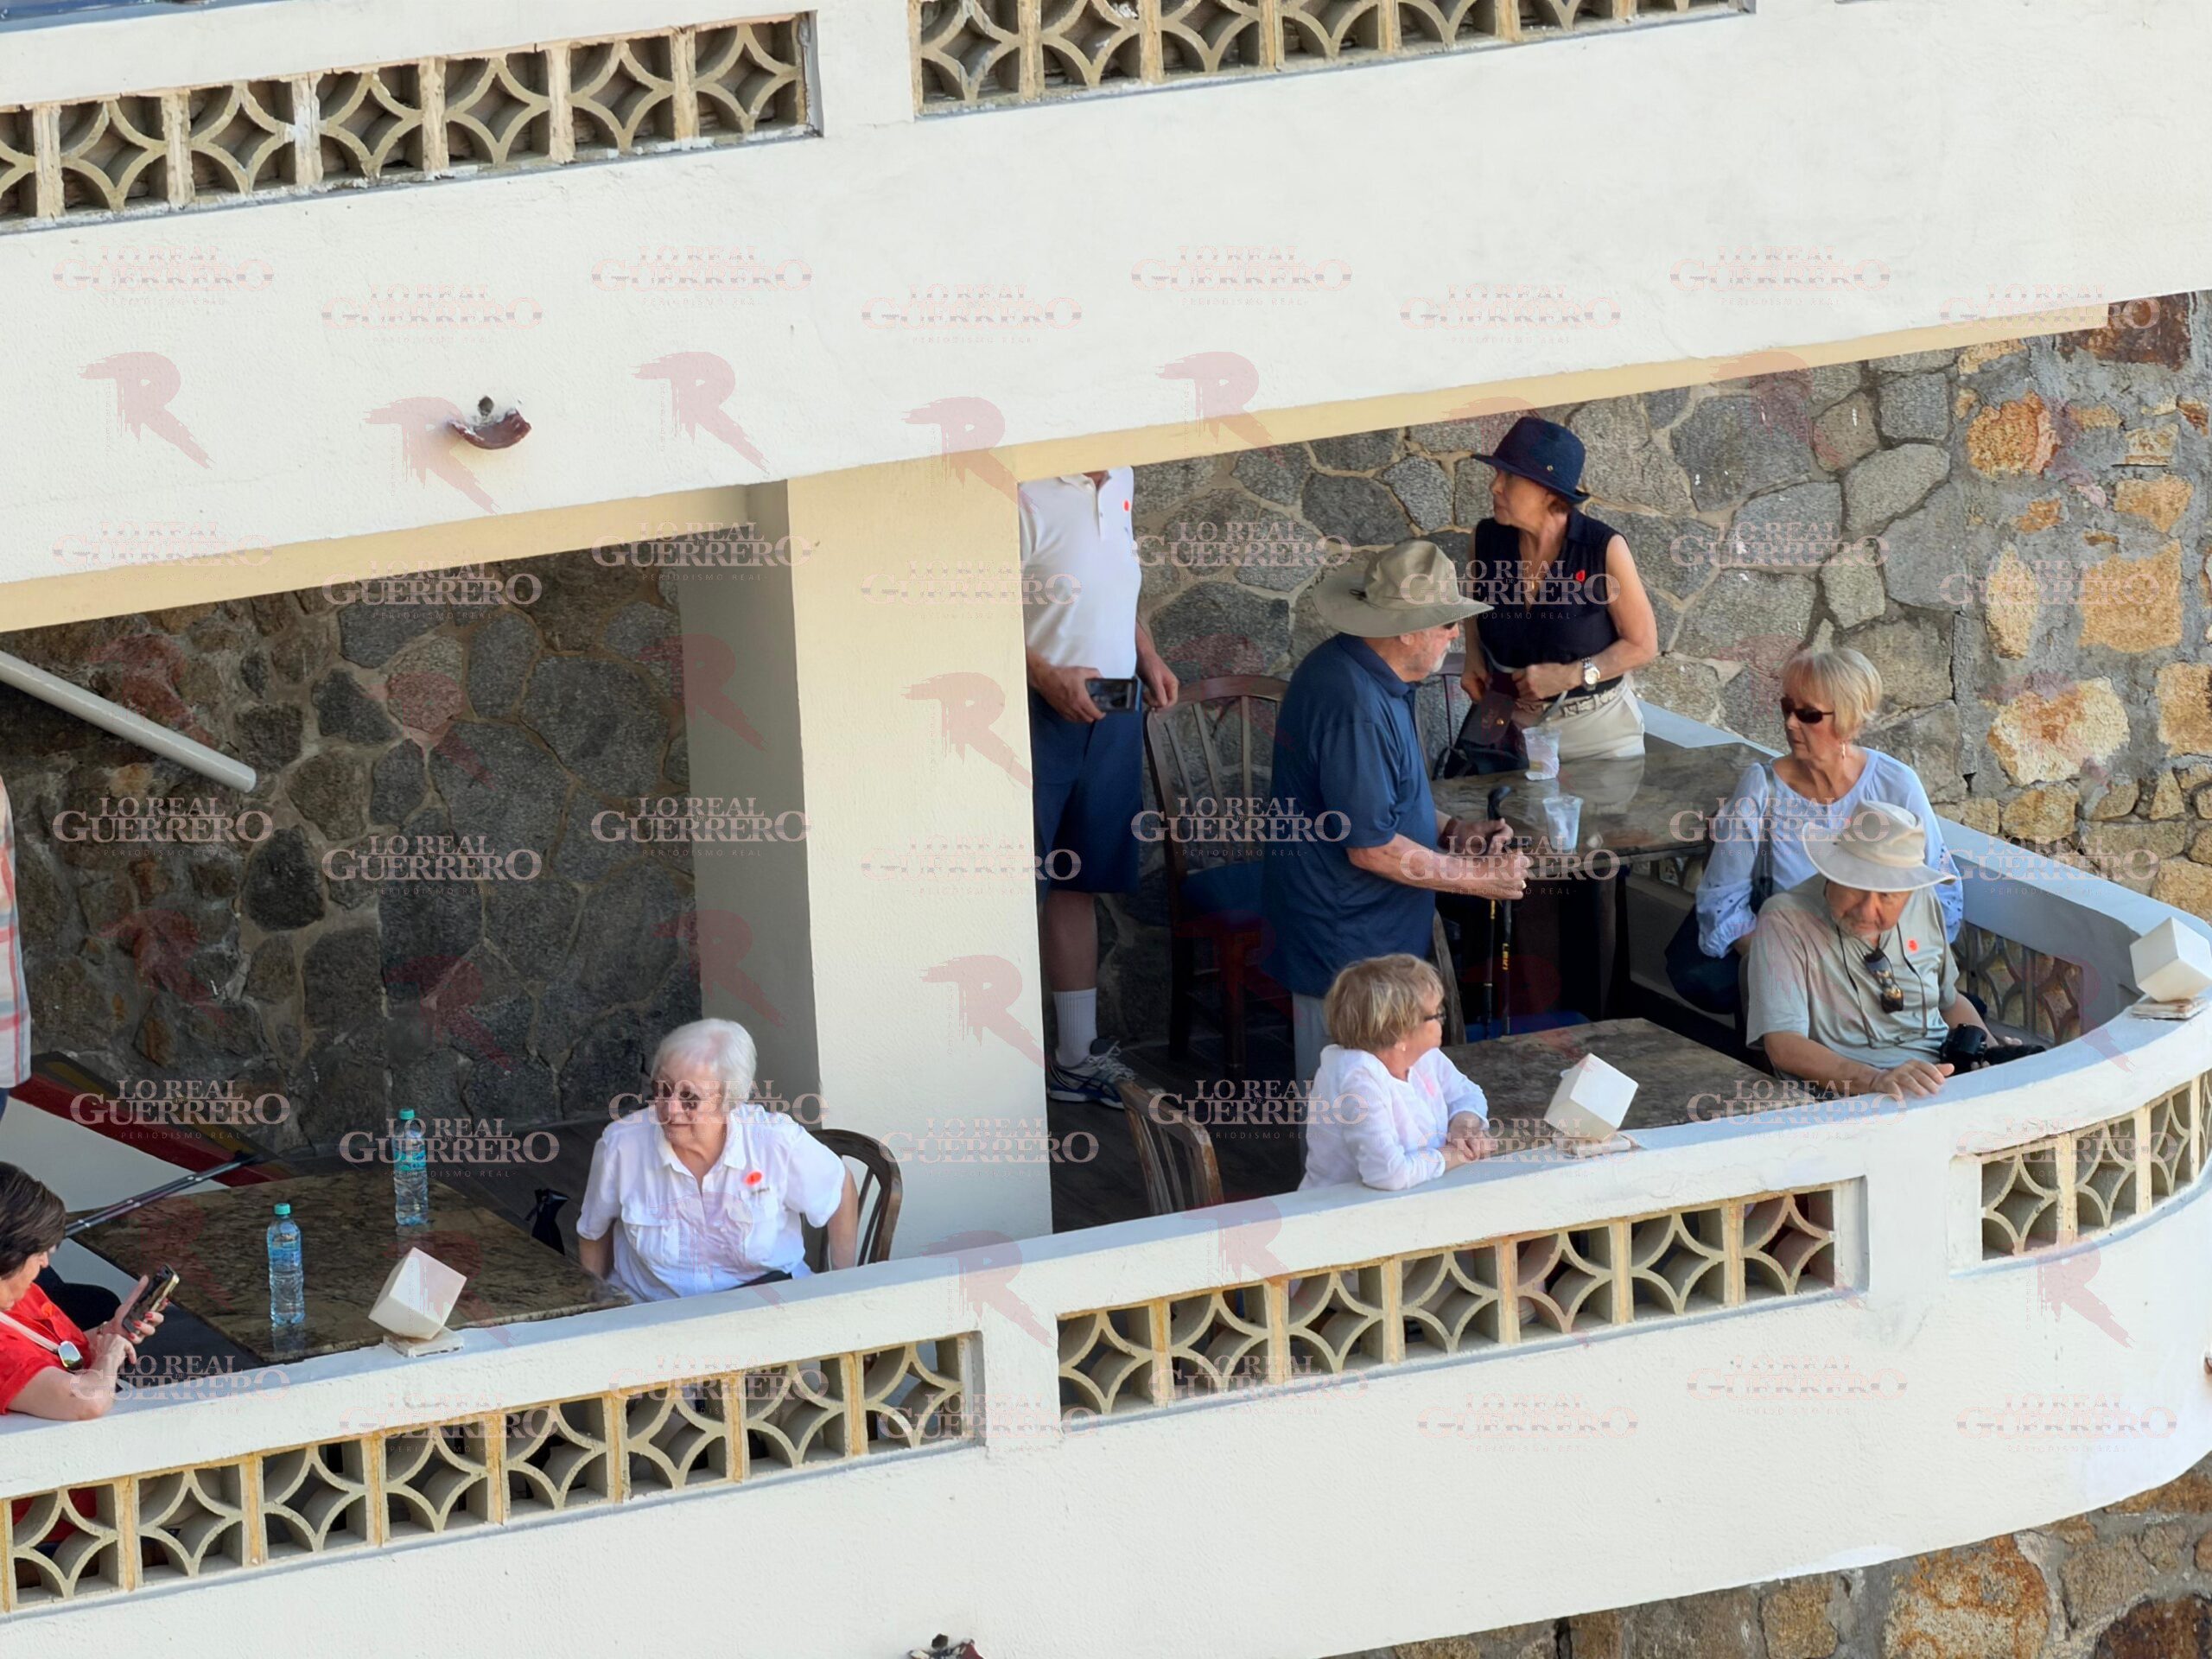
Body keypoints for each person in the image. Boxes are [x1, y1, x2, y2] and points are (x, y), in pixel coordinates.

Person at [1262, 538, 1531, 1084]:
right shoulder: (1353, 702)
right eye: (1446, 622)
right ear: (1406, 630)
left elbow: (1387, 801)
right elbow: (1372, 847)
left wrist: (1453, 830)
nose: (1455, 633)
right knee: (1347, 1106)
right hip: (1346, 941)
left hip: (1370, 933)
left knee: (1387, 1101)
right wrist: (1478, 879)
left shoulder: (1376, 673)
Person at [1678, 647, 1964, 1015]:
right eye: (1787, 708)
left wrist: (1898, 966)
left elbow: (1939, 890)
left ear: (1849, 720)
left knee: (1957, 1020)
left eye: (1808, 714)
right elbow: (1723, 902)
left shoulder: (1895, 784)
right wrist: (1790, 971)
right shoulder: (1762, 788)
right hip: (1791, 966)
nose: (1790, 724)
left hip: (1882, 965)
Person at [1020, 467, 1180, 1106]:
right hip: (1033, 710)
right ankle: (986, 1074)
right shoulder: (1022, 488)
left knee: (1077, 881)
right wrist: (1043, 675)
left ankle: (1074, 1060)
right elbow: (975, 608)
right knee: (1013, 888)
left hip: (1114, 703)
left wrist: (1147, 654)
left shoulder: (1122, 476)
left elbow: (1114, 584)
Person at [578, 1020, 859, 1302]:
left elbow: (840, 1187)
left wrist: (843, 1284)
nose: (670, 1109)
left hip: (768, 1302)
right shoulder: (622, 1146)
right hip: (659, 1309)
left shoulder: (775, 1142)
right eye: (662, 1089)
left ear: (729, 1102)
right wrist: (595, 1305)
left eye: (689, 1098)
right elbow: (593, 1231)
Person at [1747, 803, 2008, 1098]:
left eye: (1887, 896)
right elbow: (1784, 1046)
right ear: (1832, 872)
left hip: (1939, 1080)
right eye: (1855, 887)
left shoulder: (1923, 900)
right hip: (1851, 1096)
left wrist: (1994, 1054)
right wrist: (1876, 1080)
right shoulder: (1786, 920)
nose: (1866, 911)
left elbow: (1948, 1002)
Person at [1458, 416, 1659, 763]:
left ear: (1548, 492)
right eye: (1497, 474)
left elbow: (1643, 646)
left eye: (1509, 477)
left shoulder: (1602, 549)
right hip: (1507, 733)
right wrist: (1473, 657)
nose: (1495, 486)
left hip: (1597, 738)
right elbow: (1476, 608)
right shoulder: (1487, 538)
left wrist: (1569, 675)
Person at [1300, 955, 1498, 1192]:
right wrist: (1458, 1154)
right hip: (1345, 1208)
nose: (1442, 1020)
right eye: (1436, 1014)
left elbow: (1467, 1093)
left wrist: (1465, 1126)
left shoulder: (1423, 1056)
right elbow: (1387, 1174)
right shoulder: (1357, 1077)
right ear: (1400, 1030)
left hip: (1417, 1196)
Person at [0, 1165, 162, 1419]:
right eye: (39, 1252)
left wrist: (110, 1332)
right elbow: (85, 1402)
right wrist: (110, 1356)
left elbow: (60, 1352)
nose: (45, 1263)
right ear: (9, 1255)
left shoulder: (24, 1295)